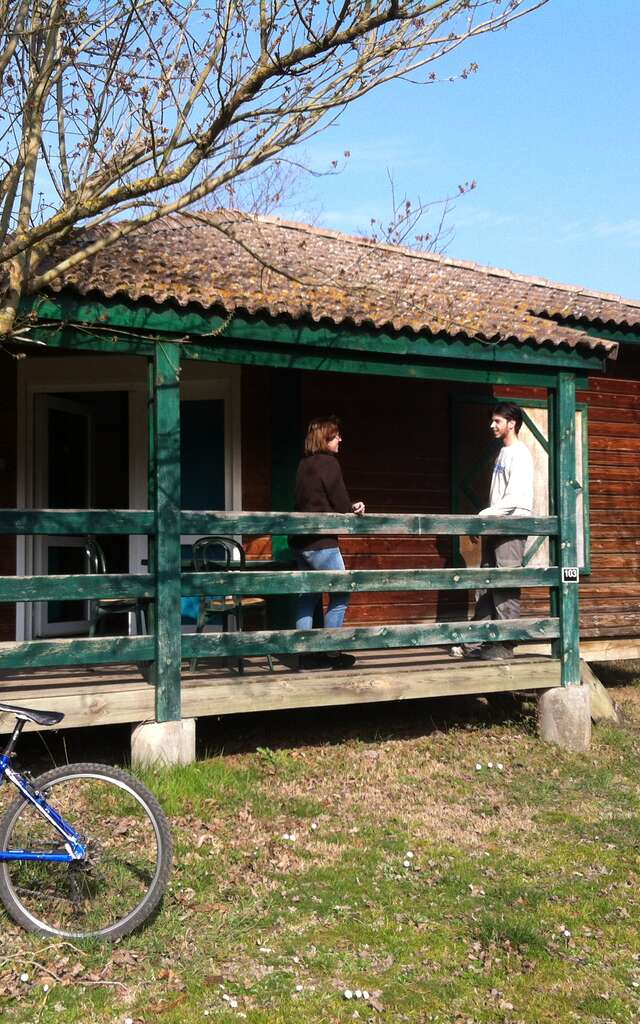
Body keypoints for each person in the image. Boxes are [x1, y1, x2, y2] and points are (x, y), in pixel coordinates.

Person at [453, 401, 534, 661]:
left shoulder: (520, 454)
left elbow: (515, 499)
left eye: (497, 421)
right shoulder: (503, 452)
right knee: (487, 585)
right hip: (497, 525)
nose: (492, 425)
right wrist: (487, 521)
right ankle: (482, 642)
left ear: (512, 423)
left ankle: (505, 645)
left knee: (505, 587)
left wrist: (483, 516)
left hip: (511, 527)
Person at [290, 415, 365, 671]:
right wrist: (354, 507)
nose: (340, 439)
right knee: (341, 592)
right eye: (336, 436)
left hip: (301, 542)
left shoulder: (303, 464)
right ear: (326, 438)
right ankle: (331, 653)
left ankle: (306, 656)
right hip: (322, 543)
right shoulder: (329, 463)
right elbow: (341, 503)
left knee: (307, 596)